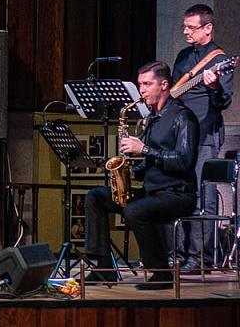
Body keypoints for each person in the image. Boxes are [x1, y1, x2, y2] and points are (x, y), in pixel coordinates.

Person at [84, 61, 198, 290]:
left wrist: (143, 149)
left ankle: (161, 272)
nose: (142, 90)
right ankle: (103, 267)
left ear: (164, 84)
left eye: (147, 84)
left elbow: (184, 161)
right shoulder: (154, 119)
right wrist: (132, 173)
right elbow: (154, 159)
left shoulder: (183, 117)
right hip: (152, 191)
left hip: (177, 194)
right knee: (95, 196)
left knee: (135, 210)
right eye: (140, 84)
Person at [171, 4, 233, 269]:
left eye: (191, 27)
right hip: (179, 135)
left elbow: (223, 102)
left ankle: (201, 259)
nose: (186, 31)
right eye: (184, 26)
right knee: (178, 195)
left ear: (208, 28)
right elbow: (173, 94)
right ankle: (177, 255)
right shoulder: (184, 57)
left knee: (201, 199)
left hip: (205, 136)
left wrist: (214, 86)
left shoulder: (220, 60)